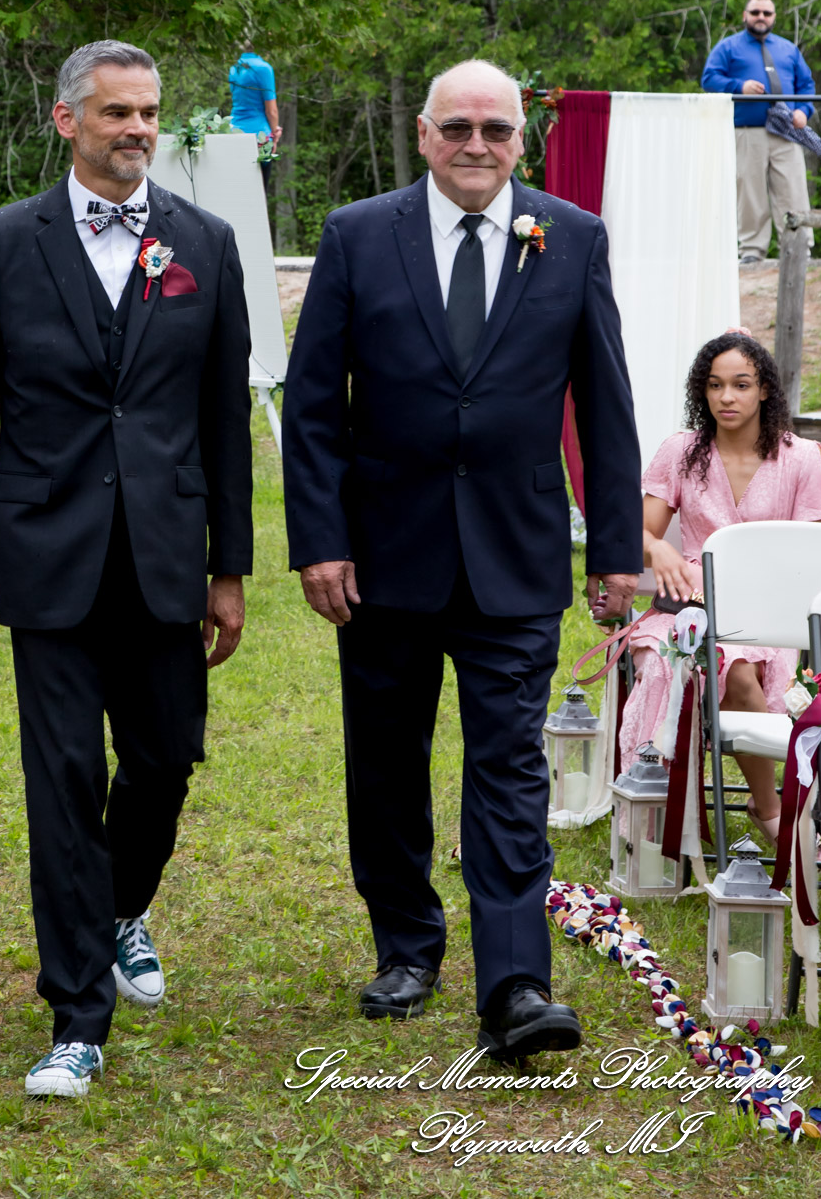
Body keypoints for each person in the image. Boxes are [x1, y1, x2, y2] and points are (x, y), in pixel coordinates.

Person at [282, 57, 643, 1061]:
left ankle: (517, 981)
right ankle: (406, 944)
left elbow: (607, 409)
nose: (477, 145)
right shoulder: (360, 236)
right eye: (458, 128)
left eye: (496, 129)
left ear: (521, 139)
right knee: (387, 764)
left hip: (516, 556)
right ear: (424, 135)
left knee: (510, 768)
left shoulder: (572, 239)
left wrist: (615, 546)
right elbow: (312, 410)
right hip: (383, 555)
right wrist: (320, 541)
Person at [0, 39, 253, 1097]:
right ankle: (77, 1015)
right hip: (47, 552)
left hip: (165, 554)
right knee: (63, 779)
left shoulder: (205, 241)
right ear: (68, 121)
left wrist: (230, 566)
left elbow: (221, 421)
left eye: (149, 112)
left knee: (163, 760)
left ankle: (119, 909)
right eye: (116, 113)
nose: (138, 131)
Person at [621, 331, 821, 837]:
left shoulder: (802, 458)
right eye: (715, 385)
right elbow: (636, 532)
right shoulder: (682, 451)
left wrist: (766, 600)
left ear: (764, 389)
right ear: (701, 391)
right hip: (685, 608)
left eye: (741, 385)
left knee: (741, 669)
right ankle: (656, 805)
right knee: (667, 662)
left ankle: (765, 809)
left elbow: (812, 561)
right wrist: (657, 548)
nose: (727, 397)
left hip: (768, 614)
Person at [701, 0, 816, 266]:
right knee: (750, 192)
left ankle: (800, 249)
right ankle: (752, 251)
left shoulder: (788, 49)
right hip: (747, 130)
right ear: (745, 15)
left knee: (794, 190)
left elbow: (807, 85)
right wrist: (739, 87)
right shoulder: (728, 47)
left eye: (767, 13)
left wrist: (804, 111)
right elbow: (709, 78)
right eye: (755, 12)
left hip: (787, 132)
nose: (761, 17)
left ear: (774, 17)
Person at [228, 40, 282, 192]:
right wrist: (274, 133)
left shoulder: (235, 68)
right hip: (260, 137)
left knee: (239, 191)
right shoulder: (264, 68)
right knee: (259, 193)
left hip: (233, 132)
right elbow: (271, 111)